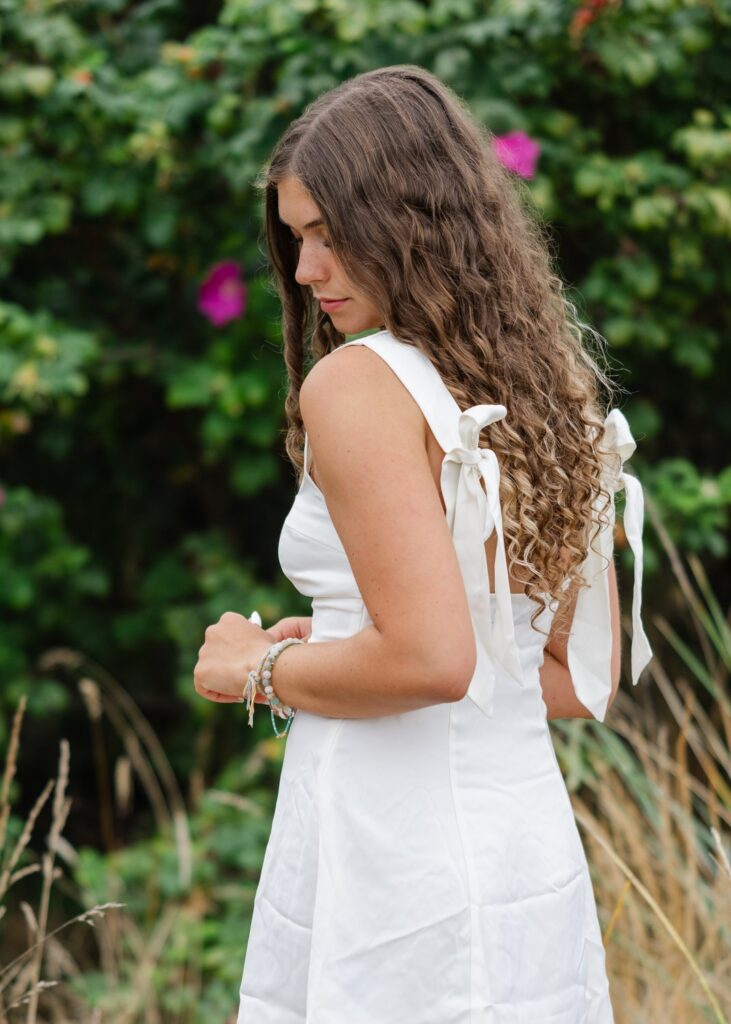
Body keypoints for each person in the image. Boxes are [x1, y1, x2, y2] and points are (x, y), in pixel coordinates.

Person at [193, 64, 653, 1023]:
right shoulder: (549, 390)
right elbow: (574, 677)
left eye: (327, 235)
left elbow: (432, 660)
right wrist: (338, 652)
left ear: (407, 221)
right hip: (521, 858)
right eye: (295, 239)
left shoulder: (360, 385)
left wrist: (259, 667)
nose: (307, 270)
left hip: (392, 865)